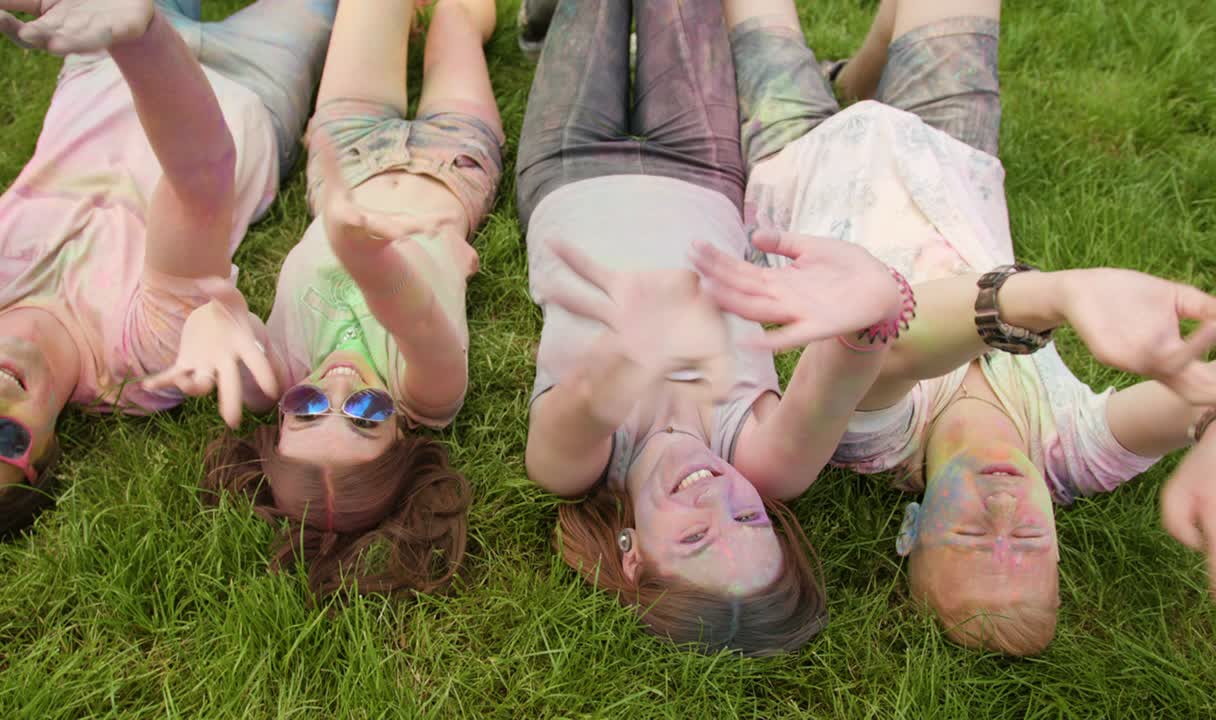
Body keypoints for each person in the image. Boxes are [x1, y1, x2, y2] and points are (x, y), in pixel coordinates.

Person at [703, 0, 1216, 655]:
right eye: (1028, 539)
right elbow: (1194, 398)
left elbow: (890, 340)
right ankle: (859, 78)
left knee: (757, 14)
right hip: (947, 158)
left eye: (972, 537)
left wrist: (1056, 293)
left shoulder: (877, 446)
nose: (1002, 514)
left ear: (912, 531)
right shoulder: (1070, 452)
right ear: (1058, 544)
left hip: (797, 159)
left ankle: (848, 85)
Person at [515, 0, 921, 655]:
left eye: (696, 537)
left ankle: (553, 20)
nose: (718, 500)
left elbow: (589, 401)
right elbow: (836, 381)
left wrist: (632, 354)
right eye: (747, 517)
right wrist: (876, 301)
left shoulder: (572, 469)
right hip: (702, 172)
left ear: (634, 557)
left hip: (569, 167)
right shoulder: (762, 460)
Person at [0, 0, 334, 551]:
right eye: (3, 438)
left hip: (98, 53)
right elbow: (199, 172)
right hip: (250, 88)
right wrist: (143, 37)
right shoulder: (139, 359)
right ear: (47, 455)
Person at [153, 0, 502, 599]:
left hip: (347, 153)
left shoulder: (275, 375)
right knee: (458, 22)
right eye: (367, 415)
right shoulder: (429, 395)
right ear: (402, 442)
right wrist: (363, 253)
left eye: (308, 406)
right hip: (452, 164)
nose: (336, 387)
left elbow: (225, 320)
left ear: (281, 418)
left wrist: (210, 317)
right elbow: (413, 315)